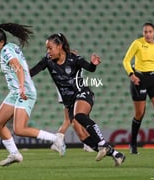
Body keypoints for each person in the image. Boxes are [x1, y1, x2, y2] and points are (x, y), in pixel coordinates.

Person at [30, 33, 126, 166]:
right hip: (69, 102)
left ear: (59, 46)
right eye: (47, 48)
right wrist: (19, 74)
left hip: (82, 93)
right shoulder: (47, 60)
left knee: (79, 115)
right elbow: (33, 71)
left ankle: (103, 144)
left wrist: (93, 64)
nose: (48, 51)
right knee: (82, 135)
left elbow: (90, 68)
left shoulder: (73, 58)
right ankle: (117, 154)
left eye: (50, 48)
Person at [0, 23, 65, 166]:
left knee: (19, 129)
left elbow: (18, 68)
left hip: (24, 92)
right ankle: (14, 154)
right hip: (15, 92)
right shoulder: (11, 47)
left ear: (1, 42)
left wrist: (22, 87)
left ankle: (56, 139)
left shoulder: (6, 51)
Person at [123, 22, 154, 154]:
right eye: (145, 32)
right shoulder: (137, 43)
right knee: (140, 113)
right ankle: (133, 143)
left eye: (150, 31)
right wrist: (132, 75)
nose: (147, 34)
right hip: (139, 79)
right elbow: (126, 60)